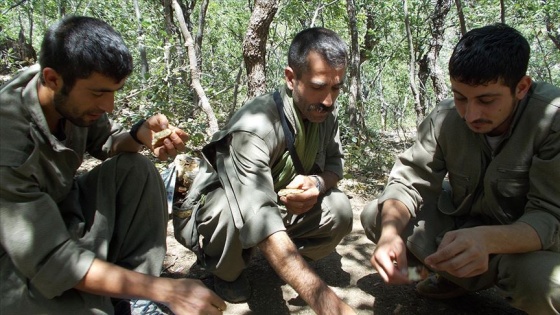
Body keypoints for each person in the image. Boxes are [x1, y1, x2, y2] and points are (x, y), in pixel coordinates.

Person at [0, 16, 226, 315]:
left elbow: (106, 142)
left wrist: (138, 135)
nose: (108, 105)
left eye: (114, 91)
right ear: (52, 79)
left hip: (65, 214)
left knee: (136, 169)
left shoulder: (68, 91)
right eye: (98, 93)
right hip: (19, 255)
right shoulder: (9, 145)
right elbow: (52, 260)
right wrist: (166, 289)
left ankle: (130, 299)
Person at [360, 23, 560, 314]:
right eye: (460, 97)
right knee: (377, 215)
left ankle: (501, 286)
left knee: (548, 287)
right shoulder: (445, 118)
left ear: (521, 87)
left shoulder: (552, 121)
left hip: (523, 246)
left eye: (486, 100)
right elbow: (408, 182)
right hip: (462, 228)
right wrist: (390, 234)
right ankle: (451, 277)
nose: (471, 114)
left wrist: (487, 240)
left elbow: (550, 216)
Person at [173, 27, 355, 314]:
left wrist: (318, 184)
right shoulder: (256, 126)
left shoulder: (322, 114)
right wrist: (329, 306)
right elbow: (258, 215)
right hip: (226, 213)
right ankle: (226, 272)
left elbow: (335, 167)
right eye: (319, 86)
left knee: (340, 208)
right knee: (226, 210)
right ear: (291, 79)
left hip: (274, 208)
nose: (329, 100)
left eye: (336, 88)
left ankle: (283, 260)